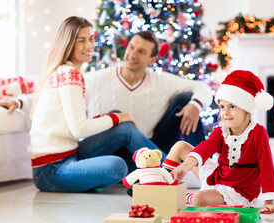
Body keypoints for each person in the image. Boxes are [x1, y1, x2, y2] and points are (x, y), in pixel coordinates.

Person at [26, 16, 163, 192]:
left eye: (91, 39)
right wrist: (117, 117)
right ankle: (169, 170)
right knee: (117, 166)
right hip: (51, 170)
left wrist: (116, 117)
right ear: (69, 43)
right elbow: (79, 129)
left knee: (122, 125)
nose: (89, 45)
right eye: (81, 40)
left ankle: (168, 169)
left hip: (70, 154)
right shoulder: (69, 73)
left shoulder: (65, 71)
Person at [162, 70, 274, 212]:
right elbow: (206, 147)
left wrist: (268, 201)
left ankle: (182, 196)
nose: (225, 112)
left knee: (198, 199)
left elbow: (267, 167)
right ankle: (162, 187)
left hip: (238, 190)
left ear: (246, 109)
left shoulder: (258, 133)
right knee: (180, 146)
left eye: (232, 106)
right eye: (222, 107)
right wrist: (184, 167)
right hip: (217, 177)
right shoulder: (221, 131)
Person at [83, 30, 212, 154]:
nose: (133, 55)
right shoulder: (96, 78)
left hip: (145, 149)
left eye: (141, 52)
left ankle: (205, 165)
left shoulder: (161, 81)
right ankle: (166, 167)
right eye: (131, 47)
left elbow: (202, 87)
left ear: (152, 60)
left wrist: (195, 105)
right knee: (118, 118)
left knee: (186, 98)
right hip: (108, 149)